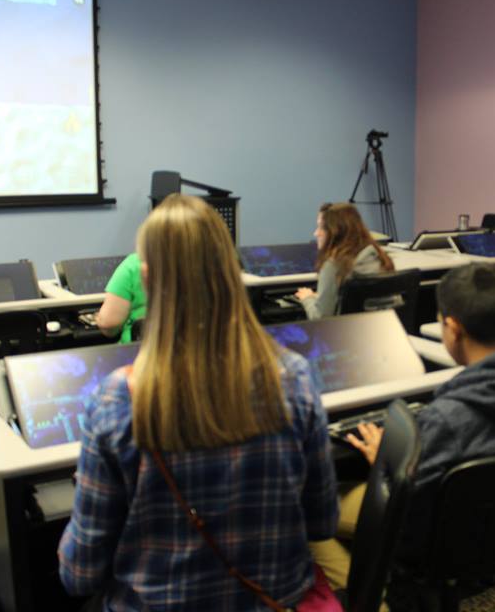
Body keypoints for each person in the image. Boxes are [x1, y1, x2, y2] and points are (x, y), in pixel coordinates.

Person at [58, 194, 339, 610]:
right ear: (230, 269)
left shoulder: (119, 399)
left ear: (148, 280)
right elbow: (322, 522)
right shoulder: (295, 378)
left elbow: (79, 575)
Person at [313, 262, 495, 596]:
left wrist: (385, 461)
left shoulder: (447, 418)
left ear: (452, 328)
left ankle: (370, 599)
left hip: (442, 543)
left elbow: (403, 502)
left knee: (311, 509)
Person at [296, 202, 395, 319]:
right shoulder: (381, 259)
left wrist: (308, 298)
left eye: (321, 227)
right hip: (382, 332)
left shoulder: (333, 266)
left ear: (335, 232)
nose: (316, 233)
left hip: (345, 335)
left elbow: (321, 317)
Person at [96, 253, 147, 343]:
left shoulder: (134, 264)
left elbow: (108, 323)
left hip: (136, 352)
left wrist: (97, 318)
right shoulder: (180, 261)